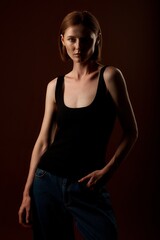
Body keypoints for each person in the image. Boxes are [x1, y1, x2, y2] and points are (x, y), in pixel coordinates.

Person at [18, 10, 138, 240]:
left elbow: (131, 132)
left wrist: (108, 170)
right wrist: (27, 192)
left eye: (85, 38)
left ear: (97, 38)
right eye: (72, 39)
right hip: (47, 182)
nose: (78, 46)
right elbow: (43, 140)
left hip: (87, 185)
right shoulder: (55, 86)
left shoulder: (110, 77)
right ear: (62, 40)